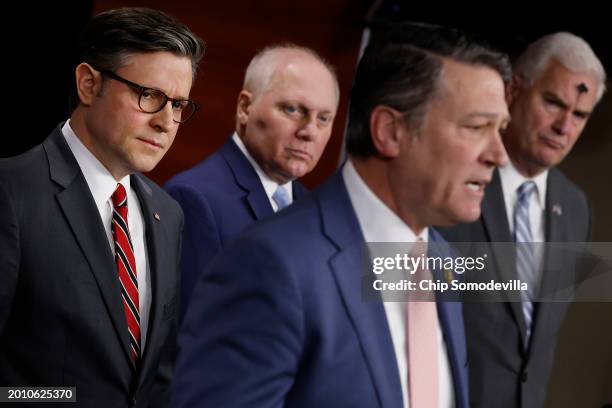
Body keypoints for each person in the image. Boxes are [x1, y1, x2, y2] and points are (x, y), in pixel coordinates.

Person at [172, 23, 510, 408]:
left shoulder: (443, 262)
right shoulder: (270, 262)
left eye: (500, 129)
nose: (498, 154)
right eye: (476, 127)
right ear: (390, 132)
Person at [0, 7, 204, 407]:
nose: (166, 122)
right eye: (149, 95)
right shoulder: (10, 191)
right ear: (89, 85)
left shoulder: (168, 213)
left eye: (178, 105)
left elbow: (155, 376)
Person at [439, 32, 607, 408]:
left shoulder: (577, 208)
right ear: (514, 90)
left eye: (579, 115)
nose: (564, 127)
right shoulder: (453, 179)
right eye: (553, 103)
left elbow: (535, 341)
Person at [165, 44, 339, 318]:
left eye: (324, 118)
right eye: (293, 110)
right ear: (245, 107)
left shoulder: (315, 211)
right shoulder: (195, 198)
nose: (309, 132)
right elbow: (193, 334)